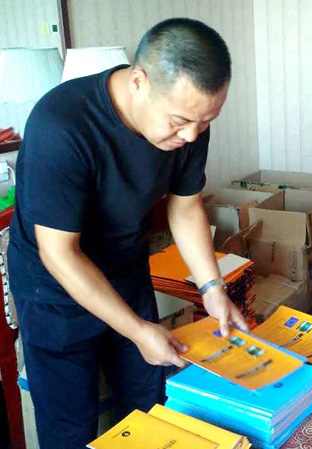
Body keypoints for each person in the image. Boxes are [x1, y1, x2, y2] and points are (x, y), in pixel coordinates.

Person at [8, 18, 248, 448]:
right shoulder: (61, 126)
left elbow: (185, 206)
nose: (191, 135)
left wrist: (212, 288)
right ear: (139, 82)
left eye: (205, 121)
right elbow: (60, 253)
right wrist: (137, 330)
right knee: (70, 428)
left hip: (126, 272)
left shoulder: (190, 123)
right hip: (55, 292)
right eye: (180, 121)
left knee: (147, 405)